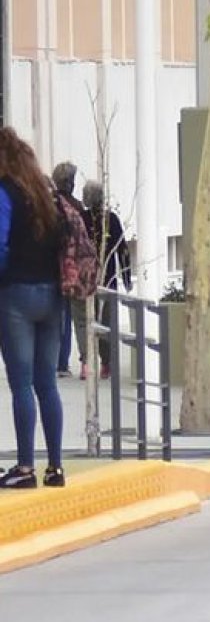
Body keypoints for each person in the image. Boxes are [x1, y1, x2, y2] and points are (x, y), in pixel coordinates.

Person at [0, 127, 65, 489]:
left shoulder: (5, 193)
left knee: (21, 384)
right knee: (47, 384)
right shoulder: (46, 193)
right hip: (53, 296)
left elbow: (0, 246)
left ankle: (25, 468)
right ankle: (55, 467)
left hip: (17, 296)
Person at [82, 181, 132, 379]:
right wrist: (127, 278)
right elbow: (123, 249)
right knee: (107, 323)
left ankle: (88, 361)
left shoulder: (82, 219)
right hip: (108, 280)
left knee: (87, 321)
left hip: (88, 279)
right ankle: (106, 362)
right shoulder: (111, 219)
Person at [52, 161, 86, 377]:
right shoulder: (78, 208)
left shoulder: (50, 204)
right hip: (72, 268)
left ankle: (60, 362)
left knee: (60, 318)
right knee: (76, 317)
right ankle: (67, 362)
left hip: (55, 268)